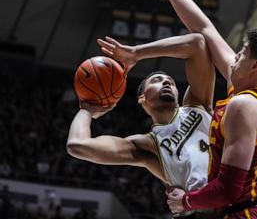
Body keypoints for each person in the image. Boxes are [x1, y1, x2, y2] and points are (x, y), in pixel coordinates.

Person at [131, 0, 257, 219]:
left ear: (254, 66)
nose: (235, 57)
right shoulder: (251, 91)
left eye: (242, 53)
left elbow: (229, 188)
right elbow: (204, 27)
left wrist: (186, 202)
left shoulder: (244, 106)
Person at [67, 33, 215, 194]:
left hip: (240, 197)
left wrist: (136, 53)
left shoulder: (197, 104)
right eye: (156, 80)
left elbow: (197, 44)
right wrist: (87, 110)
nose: (166, 82)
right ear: (142, 98)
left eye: (171, 82)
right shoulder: (146, 147)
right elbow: (77, 145)